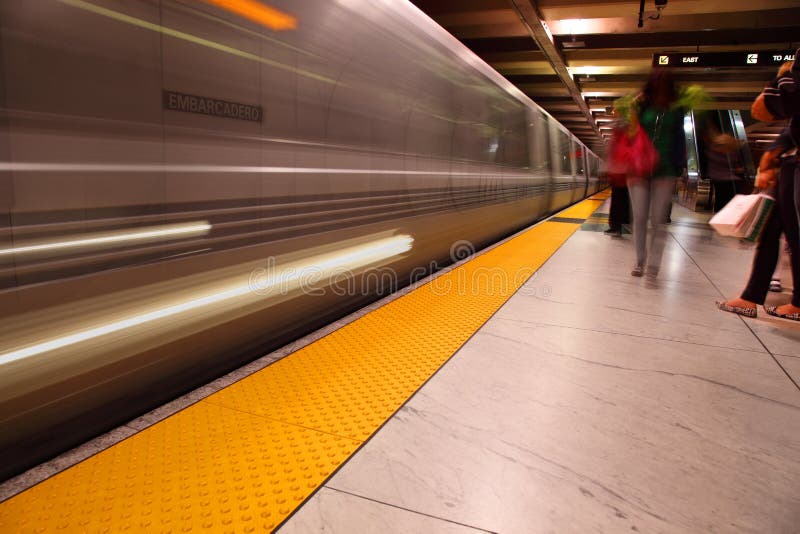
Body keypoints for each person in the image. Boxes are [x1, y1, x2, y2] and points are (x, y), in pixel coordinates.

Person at [716, 128, 800, 319]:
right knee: (770, 230)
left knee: (794, 235)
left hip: (794, 165)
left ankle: (798, 304)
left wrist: (774, 150)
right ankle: (750, 297)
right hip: (788, 165)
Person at [625, 69, 686, 280]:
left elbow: (680, 139)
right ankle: (640, 261)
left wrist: (680, 168)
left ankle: (653, 266)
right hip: (639, 169)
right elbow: (631, 135)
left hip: (666, 170)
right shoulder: (641, 106)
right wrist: (633, 108)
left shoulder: (677, 110)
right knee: (640, 217)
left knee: (658, 220)